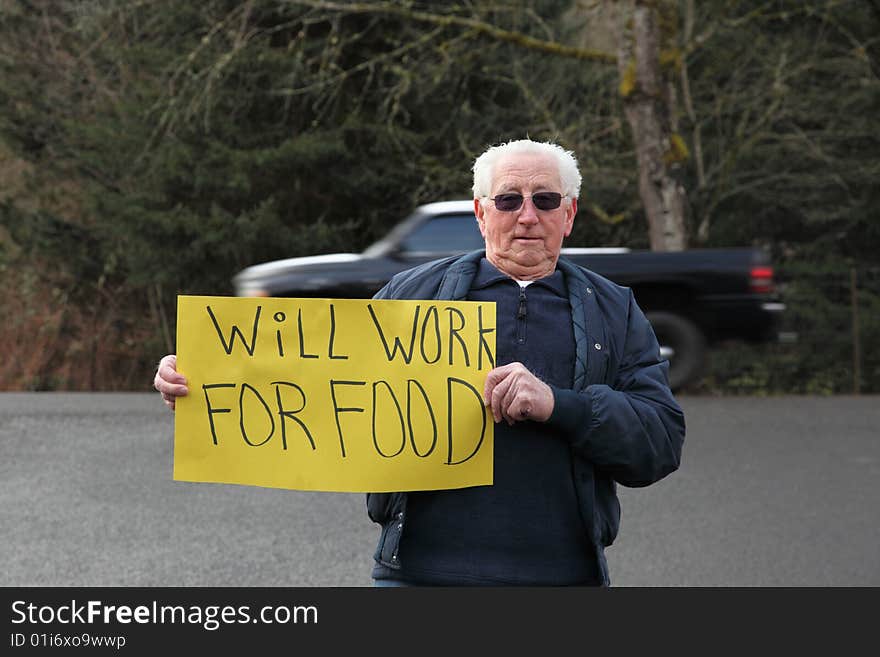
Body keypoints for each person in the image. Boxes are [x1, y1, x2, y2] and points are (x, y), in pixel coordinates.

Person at [154, 138, 685, 586]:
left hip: (562, 579)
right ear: (480, 213)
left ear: (569, 215)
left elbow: (658, 444)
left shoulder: (613, 310)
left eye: (546, 200)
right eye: (507, 200)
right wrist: (203, 387)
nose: (527, 216)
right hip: (418, 578)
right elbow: (317, 397)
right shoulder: (409, 296)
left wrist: (560, 406)